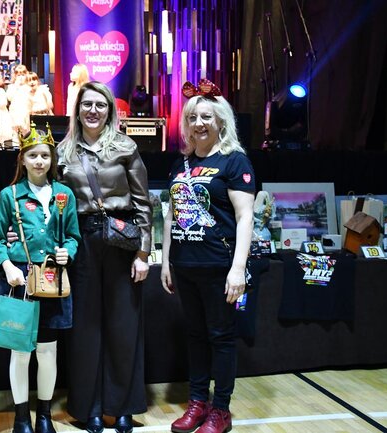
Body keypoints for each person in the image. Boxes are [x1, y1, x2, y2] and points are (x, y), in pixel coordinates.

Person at [160, 80, 255, 433]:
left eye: (206, 117)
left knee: (221, 338)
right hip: (185, 266)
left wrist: (238, 269)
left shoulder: (234, 161)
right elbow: (170, 215)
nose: (198, 123)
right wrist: (166, 261)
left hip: (219, 266)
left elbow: (245, 217)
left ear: (220, 121)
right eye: (192, 117)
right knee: (196, 336)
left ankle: (221, 410)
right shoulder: (180, 164)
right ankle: (197, 403)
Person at [58, 81, 152, 433]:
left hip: (121, 240)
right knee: (85, 328)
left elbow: (144, 202)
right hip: (80, 241)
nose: (93, 111)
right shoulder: (63, 151)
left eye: (100, 105)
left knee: (123, 325)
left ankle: (123, 407)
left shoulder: (126, 147)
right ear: (77, 109)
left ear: (110, 110)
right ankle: (90, 408)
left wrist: (143, 252)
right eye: (87, 104)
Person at [0, 124, 81, 433]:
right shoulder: (10, 195)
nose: (39, 161)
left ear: (52, 159)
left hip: (52, 281)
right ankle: (21, 418)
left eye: (45, 155)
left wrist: (69, 252)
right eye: (33, 155)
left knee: (47, 351)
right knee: (20, 351)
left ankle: (44, 415)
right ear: (22, 159)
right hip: (19, 282)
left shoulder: (64, 194)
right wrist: (7, 267)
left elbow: (73, 236)